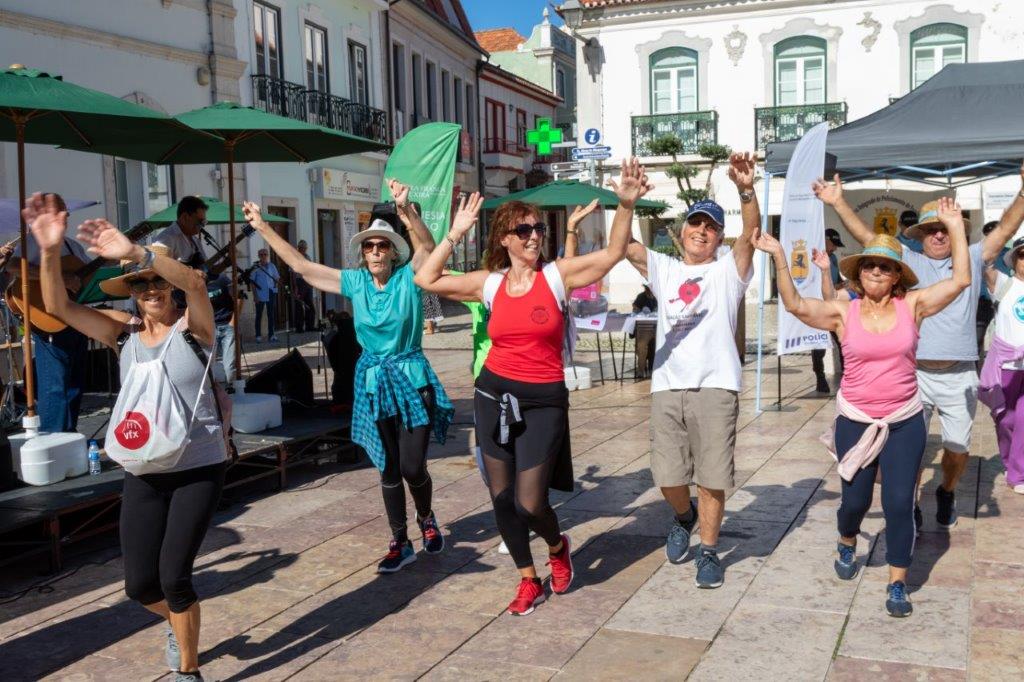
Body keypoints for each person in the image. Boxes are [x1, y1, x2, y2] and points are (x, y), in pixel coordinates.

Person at [415, 158, 652, 616]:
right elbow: (426, 279)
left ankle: (557, 545)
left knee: (529, 500)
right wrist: (455, 232)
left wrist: (624, 205)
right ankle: (528, 578)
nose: (533, 236)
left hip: (543, 400)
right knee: (501, 498)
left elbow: (611, 253)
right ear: (505, 238)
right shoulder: (491, 283)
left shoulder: (556, 276)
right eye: (523, 230)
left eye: (537, 229)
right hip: (492, 395)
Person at [26, 193, 226, 681]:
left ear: (170, 289)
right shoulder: (124, 334)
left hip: (197, 466)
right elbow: (56, 305)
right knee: (140, 586)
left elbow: (197, 280)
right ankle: (180, 628)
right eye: (140, 284)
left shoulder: (193, 331)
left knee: (175, 578)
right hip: (143, 469)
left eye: (158, 281)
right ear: (131, 294)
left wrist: (140, 254)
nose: (150, 288)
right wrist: (50, 250)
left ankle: (188, 669)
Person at [755, 198, 970, 617]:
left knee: (897, 502)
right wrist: (780, 256)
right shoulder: (841, 311)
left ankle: (897, 583)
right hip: (855, 419)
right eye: (870, 264)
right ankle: (848, 538)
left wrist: (955, 226)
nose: (876, 270)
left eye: (886, 266)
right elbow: (797, 305)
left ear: (896, 277)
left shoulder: (914, 306)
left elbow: (961, 279)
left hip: (904, 420)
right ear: (859, 271)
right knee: (854, 503)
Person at [242, 178, 454, 573]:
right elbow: (303, 268)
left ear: (394, 253)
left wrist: (406, 210)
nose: (375, 251)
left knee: (411, 466)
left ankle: (426, 518)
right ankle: (399, 539)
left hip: (412, 378)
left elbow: (426, 247)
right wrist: (264, 228)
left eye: (383, 245)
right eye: (370, 246)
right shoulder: (355, 283)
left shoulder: (411, 278)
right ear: (364, 253)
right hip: (374, 383)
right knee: (387, 467)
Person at [813, 164, 1024, 530]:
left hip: (959, 373)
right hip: (914, 375)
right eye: (931, 229)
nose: (939, 235)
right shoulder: (906, 263)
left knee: (957, 448)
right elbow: (866, 237)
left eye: (944, 228)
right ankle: (908, 504)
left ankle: (946, 489)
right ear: (920, 235)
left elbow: (1006, 228)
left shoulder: (971, 257)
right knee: (907, 454)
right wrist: (840, 202)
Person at [622, 153, 759, 589]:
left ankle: (710, 551)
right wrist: (625, 203)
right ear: (682, 232)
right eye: (696, 223)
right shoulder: (664, 269)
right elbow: (622, 247)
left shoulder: (726, 272)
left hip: (716, 386)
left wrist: (746, 191)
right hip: (667, 385)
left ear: (719, 238)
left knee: (713, 475)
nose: (702, 230)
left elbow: (751, 238)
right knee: (667, 475)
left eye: (711, 226)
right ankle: (684, 516)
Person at [10, 193, 91, 433]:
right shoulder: (32, 241)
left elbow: (86, 274)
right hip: (50, 320)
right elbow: (15, 266)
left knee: (74, 383)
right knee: (55, 386)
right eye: (59, 211)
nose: (65, 215)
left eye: (65, 211)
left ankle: (70, 438)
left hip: (76, 319)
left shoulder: (71, 245)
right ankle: (54, 441)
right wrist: (59, 277)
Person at [979, 236, 1024, 495]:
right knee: (1005, 420)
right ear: (1014, 259)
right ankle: (1009, 462)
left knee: (1023, 419)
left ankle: (1018, 475)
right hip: (1007, 365)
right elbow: (985, 259)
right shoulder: (1004, 284)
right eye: (1023, 254)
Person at [809, 228, 846, 392]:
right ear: (825, 240)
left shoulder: (834, 259)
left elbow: (836, 282)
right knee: (818, 346)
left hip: (833, 308)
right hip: (819, 307)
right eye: (833, 245)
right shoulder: (815, 258)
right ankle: (820, 377)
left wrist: (844, 285)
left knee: (842, 342)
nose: (835, 249)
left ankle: (847, 375)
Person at [153, 196, 209, 268]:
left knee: (223, 279)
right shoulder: (166, 238)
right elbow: (156, 266)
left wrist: (225, 263)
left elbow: (207, 269)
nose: (202, 225)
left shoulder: (196, 241)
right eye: (200, 221)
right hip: (175, 279)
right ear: (185, 217)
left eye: (204, 222)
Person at [205, 272, 236, 383]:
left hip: (227, 326)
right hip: (211, 328)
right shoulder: (199, 283)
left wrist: (233, 321)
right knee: (208, 366)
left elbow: (238, 298)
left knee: (229, 365)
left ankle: (231, 390)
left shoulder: (222, 279)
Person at [249, 248, 279, 343]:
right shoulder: (255, 267)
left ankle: (272, 335)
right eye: (261, 255)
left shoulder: (271, 266)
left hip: (270, 292)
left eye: (265, 254)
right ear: (259, 256)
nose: (263, 256)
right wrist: (255, 296)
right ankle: (258, 335)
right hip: (260, 293)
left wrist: (274, 286)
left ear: (267, 256)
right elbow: (252, 282)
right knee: (259, 315)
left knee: (271, 314)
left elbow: (277, 277)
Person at [290, 240, 315, 333]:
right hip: (299, 282)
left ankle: (310, 326)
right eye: (302, 248)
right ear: (299, 248)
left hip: (307, 282)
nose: (303, 250)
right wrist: (295, 286)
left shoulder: (307, 257)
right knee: (299, 306)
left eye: (305, 248)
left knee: (310, 306)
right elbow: (293, 274)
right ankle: (299, 327)